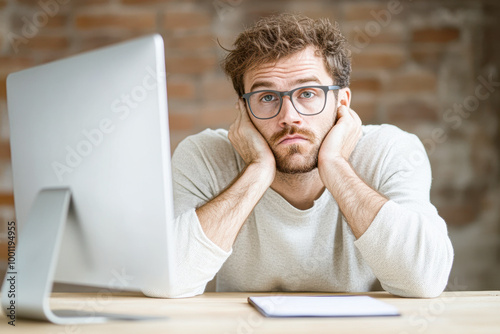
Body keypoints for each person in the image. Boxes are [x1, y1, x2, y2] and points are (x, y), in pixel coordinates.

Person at [166, 13, 454, 298]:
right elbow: (170, 280)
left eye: (307, 93)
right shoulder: (203, 156)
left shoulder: (391, 150)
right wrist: (257, 170)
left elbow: (424, 280)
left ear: (342, 102)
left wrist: (335, 165)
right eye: (267, 98)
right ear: (242, 110)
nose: (289, 117)